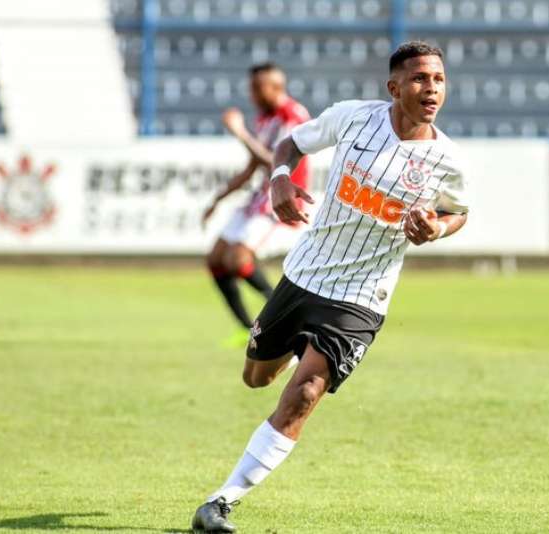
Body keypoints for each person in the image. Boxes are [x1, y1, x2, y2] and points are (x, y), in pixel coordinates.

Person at [192, 41, 470, 532]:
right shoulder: (352, 119)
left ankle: (219, 502)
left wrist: (437, 229)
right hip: (305, 274)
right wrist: (280, 179)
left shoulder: (446, 159)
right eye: (421, 79)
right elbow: (291, 144)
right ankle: (301, 349)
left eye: (439, 79)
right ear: (395, 87)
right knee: (255, 378)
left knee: (305, 394)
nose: (432, 88)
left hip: (364, 297)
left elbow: (457, 211)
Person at [203, 63, 311, 347]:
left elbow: (276, 160)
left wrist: (240, 133)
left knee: (238, 260)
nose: (251, 94)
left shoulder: (292, 115)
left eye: (257, 87)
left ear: (275, 87)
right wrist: (217, 199)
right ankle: (246, 328)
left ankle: (294, 317)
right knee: (216, 259)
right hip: (258, 200)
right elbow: (253, 166)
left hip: (282, 202)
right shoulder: (266, 118)